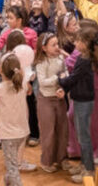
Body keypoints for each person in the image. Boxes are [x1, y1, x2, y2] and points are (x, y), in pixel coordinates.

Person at [60, 26, 98, 183]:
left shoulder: (84, 60)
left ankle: (88, 170)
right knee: (81, 135)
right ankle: (84, 164)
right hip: (81, 99)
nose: (74, 43)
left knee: (84, 137)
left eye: (78, 40)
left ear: (85, 43)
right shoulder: (85, 57)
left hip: (84, 101)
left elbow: (73, 78)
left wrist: (59, 80)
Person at [0, 55, 30, 186]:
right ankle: (8, 181)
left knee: (12, 167)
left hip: (9, 135)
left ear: (1, 70)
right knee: (11, 162)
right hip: (22, 132)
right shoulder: (22, 84)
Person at [34, 32, 68, 173]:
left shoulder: (60, 59)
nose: (57, 47)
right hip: (46, 100)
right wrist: (57, 78)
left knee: (62, 130)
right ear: (44, 48)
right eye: (53, 45)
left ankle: (61, 159)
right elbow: (42, 82)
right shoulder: (41, 63)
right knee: (48, 133)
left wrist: (62, 87)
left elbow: (65, 74)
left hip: (59, 99)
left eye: (57, 44)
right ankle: (46, 161)